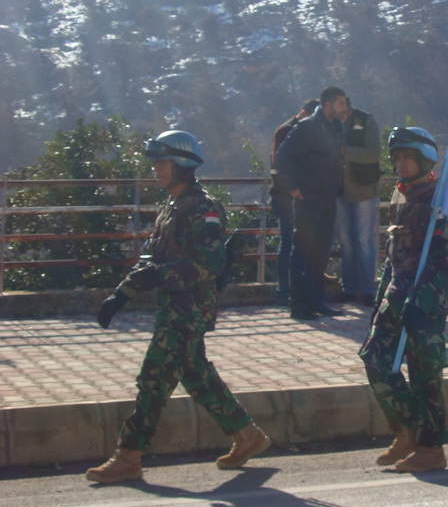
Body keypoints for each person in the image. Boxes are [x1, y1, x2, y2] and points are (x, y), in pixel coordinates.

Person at [86, 131, 270, 484]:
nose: (156, 169)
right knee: (196, 374)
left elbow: (209, 265)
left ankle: (128, 456)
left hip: (190, 309)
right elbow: (150, 259)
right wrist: (120, 295)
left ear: (183, 165)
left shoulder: (204, 208)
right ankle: (247, 435)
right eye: (156, 162)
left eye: (163, 163)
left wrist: (160, 274)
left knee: (153, 377)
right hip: (173, 307)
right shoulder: (171, 206)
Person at [359, 127, 448, 473]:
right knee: (374, 357)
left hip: (425, 300)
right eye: (397, 158)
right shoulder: (400, 196)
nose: (400, 164)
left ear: (424, 160)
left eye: (407, 157)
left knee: (425, 373)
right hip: (396, 293)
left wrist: (422, 302)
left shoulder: (439, 200)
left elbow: (442, 261)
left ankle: (432, 448)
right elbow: (393, 255)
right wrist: (382, 296)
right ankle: (406, 430)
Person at [275, 86, 347, 320]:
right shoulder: (306, 128)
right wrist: (293, 188)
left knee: (321, 252)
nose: (344, 108)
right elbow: (283, 157)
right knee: (302, 252)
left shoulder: (336, 127)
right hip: (308, 198)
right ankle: (298, 305)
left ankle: (317, 301)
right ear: (327, 104)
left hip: (328, 197)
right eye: (340, 103)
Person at [332, 95, 382, 308]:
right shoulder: (329, 124)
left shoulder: (365, 120)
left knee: (364, 241)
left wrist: (345, 153)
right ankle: (349, 289)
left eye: (343, 104)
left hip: (363, 189)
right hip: (338, 189)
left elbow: (374, 153)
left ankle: (368, 290)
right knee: (346, 241)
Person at [269, 98, 320, 304]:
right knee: (289, 241)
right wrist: (292, 187)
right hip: (285, 195)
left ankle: (298, 288)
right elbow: (281, 165)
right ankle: (284, 289)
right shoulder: (286, 131)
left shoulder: (295, 129)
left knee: (300, 242)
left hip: (299, 195)